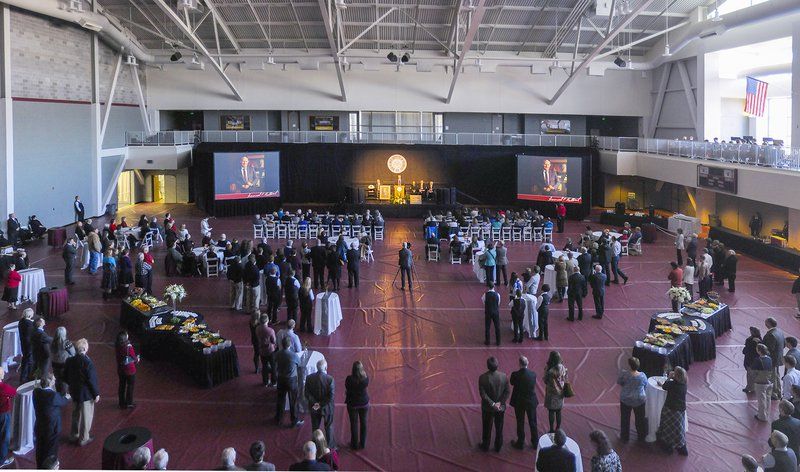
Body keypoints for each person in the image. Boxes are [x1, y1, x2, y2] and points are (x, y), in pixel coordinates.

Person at [64, 338, 99, 446]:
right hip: (86, 394)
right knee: (86, 416)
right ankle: (84, 438)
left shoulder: (70, 361)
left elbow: (65, 376)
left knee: (76, 414)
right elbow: (91, 380)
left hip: (74, 392)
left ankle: (74, 435)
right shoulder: (87, 363)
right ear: (84, 348)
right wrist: (96, 394)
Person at [32, 373, 67, 469]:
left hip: (40, 425)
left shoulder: (36, 392)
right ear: (51, 383)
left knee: (40, 449)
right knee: (50, 451)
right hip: (52, 428)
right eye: (54, 380)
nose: (55, 381)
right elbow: (64, 401)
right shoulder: (52, 396)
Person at [478, 356, 509, 453]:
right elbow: (507, 391)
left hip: (488, 408)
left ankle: (486, 445)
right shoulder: (504, 376)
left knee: (486, 427)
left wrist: (492, 404)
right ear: (497, 365)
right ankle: (498, 446)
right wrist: (500, 403)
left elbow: (483, 395)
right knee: (499, 427)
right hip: (500, 407)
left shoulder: (482, 378)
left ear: (487, 366)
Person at [656, 366, 688, 455]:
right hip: (680, 410)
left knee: (668, 427)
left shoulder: (672, 384)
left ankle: (668, 447)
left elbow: (665, 387)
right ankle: (681, 446)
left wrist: (669, 378)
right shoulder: (684, 384)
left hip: (671, 409)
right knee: (679, 429)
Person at [305, 359, 336, 449]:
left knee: (315, 427)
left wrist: (316, 404)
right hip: (326, 407)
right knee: (329, 427)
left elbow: (307, 394)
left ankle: (315, 446)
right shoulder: (330, 379)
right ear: (326, 367)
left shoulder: (309, 378)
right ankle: (330, 446)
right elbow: (331, 396)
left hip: (314, 407)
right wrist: (321, 404)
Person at [509, 355, 538, 449]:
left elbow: (512, 383)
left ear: (519, 364)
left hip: (519, 401)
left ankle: (520, 442)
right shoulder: (533, 374)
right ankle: (535, 442)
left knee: (520, 421)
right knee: (533, 422)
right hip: (531, 401)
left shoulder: (515, 375)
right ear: (527, 363)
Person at [275, 337, 303, 428]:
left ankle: (278, 418)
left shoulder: (278, 353)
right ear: (290, 344)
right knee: (293, 400)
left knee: (280, 399)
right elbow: (299, 364)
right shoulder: (293, 355)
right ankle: (294, 420)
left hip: (281, 378)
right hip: (291, 379)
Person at [618, 357, 647, 442]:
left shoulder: (624, 374)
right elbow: (645, 385)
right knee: (640, 419)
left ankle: (624, 437)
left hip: (626, 399)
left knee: (625, 418)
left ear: (630, 365)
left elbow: (619, 382)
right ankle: (641, 437)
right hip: (639, 399)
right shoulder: (642, 375)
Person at [345, 360, 369, 450]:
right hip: (364, 403)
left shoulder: (349, 379)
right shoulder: (365, 379)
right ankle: (363, 443)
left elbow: (347, 387)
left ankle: (354, 444)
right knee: (364, 423)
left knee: (354, 424)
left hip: (353, 404)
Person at [544, 351, 567, 432]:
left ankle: (551, 429)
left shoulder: (549, 369)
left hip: (551, 393)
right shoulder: (563, 368)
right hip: (560, 393)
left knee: (551, 411)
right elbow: (565, 378)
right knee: (558, 411)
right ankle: (558, 428)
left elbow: (545, 380)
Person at [765, 318, 787, 400]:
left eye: (766, 322)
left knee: (773, 377)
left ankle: (774, 394)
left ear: (769, 324)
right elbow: (784, 344)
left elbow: (769, 348)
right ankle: (778, 391)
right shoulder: (780, 332)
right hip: (778, 358)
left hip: (772, 359)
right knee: (776, 375)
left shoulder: (771, 334)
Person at [115, 331, 138, 409]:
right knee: (130, 386)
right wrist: (137, 359)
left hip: (121, 369)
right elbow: (133, 358)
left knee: (122, 386)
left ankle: (121, 402)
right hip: (130, 370)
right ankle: (129, 402)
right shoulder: (128, 347)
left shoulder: (117, 345)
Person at [754, 343, 775, 421]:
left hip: (761, 382)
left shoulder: (758, 360)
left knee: (761, 400)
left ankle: (762, 416)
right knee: (768, 399)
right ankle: (766, 413)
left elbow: (754, 371)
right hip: (769, 381)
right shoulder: (769, 359)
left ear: (759, 351)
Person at [256, 315, 277, 387]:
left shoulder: (257, 328)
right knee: (273, 366)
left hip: (262, 350)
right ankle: (274, 381)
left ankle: (265, 382)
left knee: (264, 366)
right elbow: (273, 341)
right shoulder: (270, 330)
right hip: (270, 350)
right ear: (267, 321)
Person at [0, 368, 15, 468]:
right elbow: (13, 392)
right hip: (3, 414)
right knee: (4, 437)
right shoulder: (3, 387)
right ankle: (2, 460)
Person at [742, 327, 763, 394]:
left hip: (750, 360)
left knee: (750, 375)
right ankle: (754, 387)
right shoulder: (760, 340)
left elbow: (746, 350)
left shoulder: (749, 340)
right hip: (757, 360)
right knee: (755, 374)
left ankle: (750, 387)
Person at [18, 308, 34, 383]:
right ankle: (28, 376)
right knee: (29, 361)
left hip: (23, 344)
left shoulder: (21, 321)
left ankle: (24, 377)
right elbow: (30, 336)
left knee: (25, 360)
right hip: (29, 345)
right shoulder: (29, 324)